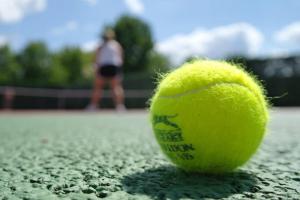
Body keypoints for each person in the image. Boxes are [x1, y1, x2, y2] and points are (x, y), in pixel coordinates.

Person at [86, 29, 125, 111]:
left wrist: (95, 67)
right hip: (112, 67)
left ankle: (93, 106)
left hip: (106, 67)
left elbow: (96, 58)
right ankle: (120, 107)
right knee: (114, 87)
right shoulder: (116, 45)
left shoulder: (101, 46)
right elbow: (121, 58)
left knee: (100, 88)